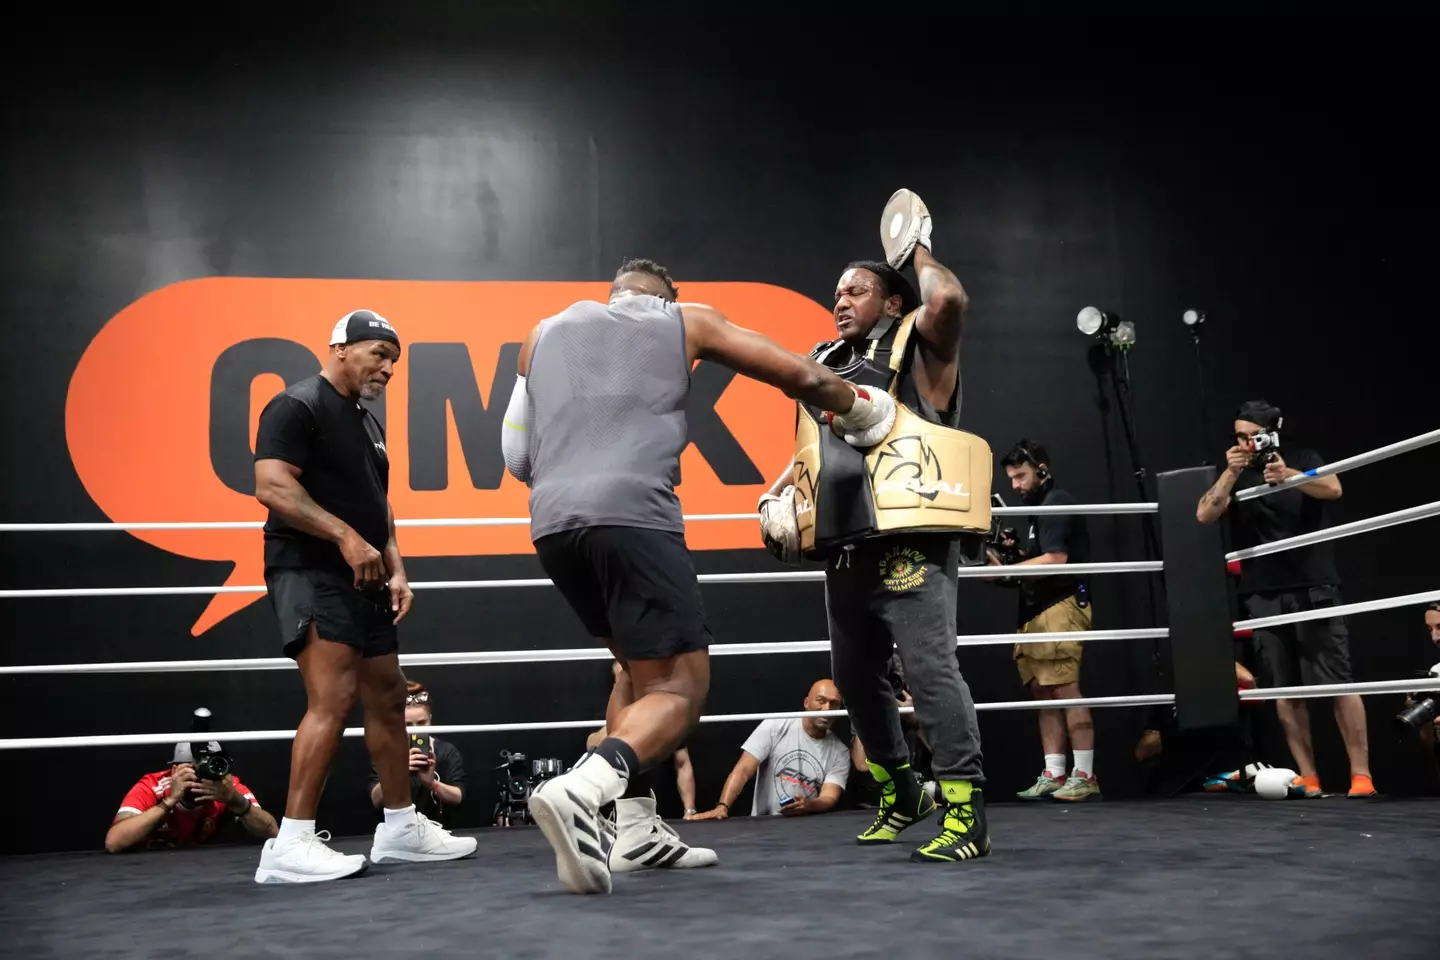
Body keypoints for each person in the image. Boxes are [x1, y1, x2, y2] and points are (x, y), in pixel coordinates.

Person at [500, 258, 896, 895]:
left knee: (635, 669)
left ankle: (635, 831)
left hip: (552, 524)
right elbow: (796, 372)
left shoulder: (541, 333)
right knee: (681, 694)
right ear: (662, 298)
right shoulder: (683, 320)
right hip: (633, 517)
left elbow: (515, 457)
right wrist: (862, 410)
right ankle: (584, 787)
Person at [757, 192, 991, 863]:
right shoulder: (825, 360)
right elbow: (818, 447)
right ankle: (902, 792)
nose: (840, 300)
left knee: (929, 670)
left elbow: (948, 302)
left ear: (892, 301)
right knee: (856, 679)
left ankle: (964, 812)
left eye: (857, 290)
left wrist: (911, 248)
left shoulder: (922, 345)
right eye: (836, 292)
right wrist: (782, 498)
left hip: (910, 541)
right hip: (845, 544)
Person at [252, 309, 477, 884]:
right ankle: (290, 842)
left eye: (394, 360)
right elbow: (272, 485)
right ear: (340, 348)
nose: (387, 368)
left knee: (387, 694)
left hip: (369, 578)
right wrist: (347, 539)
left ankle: (401, 826)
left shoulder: (365, 422)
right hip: (310, 571)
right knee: (333, 697)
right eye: (378, 353)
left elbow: (381, 507)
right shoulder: (296, 405)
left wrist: (397, 569)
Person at [1196, 399, 1374, 798]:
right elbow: (1204, 515)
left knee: (1338, 682)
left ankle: (1361, 774)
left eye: (1249, 435)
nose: (1243, 442)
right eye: (1237, 436)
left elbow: (1333, 487)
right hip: (1263, 592)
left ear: (1269, 431)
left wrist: (1290, 475)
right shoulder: (1237, 473)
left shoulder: (1301, 457)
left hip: (1314, 584)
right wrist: (1229, 472)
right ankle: (1308, 775)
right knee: (1285, 689)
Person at [991, 440, 1100, 802]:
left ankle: (1084, 774)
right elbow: (1036, 562)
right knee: (1042, 691)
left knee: (1065, 687)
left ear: (1041, 468)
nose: (1016, 485)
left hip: (1060, 603)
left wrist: (1009, 569)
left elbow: (1056, 559)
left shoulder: (1056, 502)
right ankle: (1054, 772)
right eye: (1011, 479)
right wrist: (1007, 560)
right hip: (1035, 609)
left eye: (1021, 476)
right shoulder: (1038, 508)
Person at [691, 679, 851, 819]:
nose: (827, 709)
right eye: (821, 701)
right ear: (806, 703)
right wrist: (722, 807)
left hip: (808, 828)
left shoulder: (840, 752)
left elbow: (829, 797)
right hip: (765, 826)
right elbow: (744, 769)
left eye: (834, 704)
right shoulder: (775, 726)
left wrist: (809, 805)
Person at [106, 743, 277, 853]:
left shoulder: (225, 787)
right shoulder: (153, 785)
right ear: (174, 771)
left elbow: (272, 831)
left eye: (207, 770)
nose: (201, 778)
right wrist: (169, 801)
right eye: (193, 770)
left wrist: (235, 800)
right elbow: (114, 842)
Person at [587, 661, 698, 818]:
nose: (629, 681)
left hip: (657, 809)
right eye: (623, 677)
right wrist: (621, 723)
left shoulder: (660, 714)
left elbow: (682, 763)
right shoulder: (603, 715)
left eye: (631, 677)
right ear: (615, 683)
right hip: (613, 815)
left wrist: (690, 810)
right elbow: (592, 745)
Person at [367, 680, 467, 828]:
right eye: (407, 725)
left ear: (430, 720)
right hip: (397, 833)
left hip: (439, 831)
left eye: (421, 723)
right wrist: (400, 772)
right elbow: (376, 800)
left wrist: (432, 784)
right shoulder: (386, 752)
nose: (415, 730)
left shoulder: (446, 751)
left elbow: (458, 796)